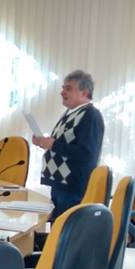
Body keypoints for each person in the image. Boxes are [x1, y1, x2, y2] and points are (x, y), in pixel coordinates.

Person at [33, 70, 106, 220]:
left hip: (73, 187)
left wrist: (53, 145)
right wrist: (44, 143)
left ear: (84, 93)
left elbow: (87, 154)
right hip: (60, 183)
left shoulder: (90, 116)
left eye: (68, 88)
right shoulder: (70, 113)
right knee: (55, 227)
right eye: (63, 88)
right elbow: (63, 144)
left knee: (65, 231)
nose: (62, 92)